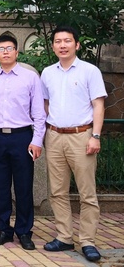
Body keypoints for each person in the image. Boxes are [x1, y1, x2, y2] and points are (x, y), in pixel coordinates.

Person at [40, 26, 106, 263]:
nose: (62, 45)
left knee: (87, 192)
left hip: (82, 136)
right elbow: (45, 104)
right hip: (55, 136)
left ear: (76, 44)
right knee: (58, 191)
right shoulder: (47, 73)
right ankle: (64, 236)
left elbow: (98, 105)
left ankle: (87, 240)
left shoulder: (90, 71)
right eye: (58, 41)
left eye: (67, 41)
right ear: (53, 46)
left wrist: (95, 136)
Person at [0, 35, 46, 250]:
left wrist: (37, 140)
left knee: (23, 186)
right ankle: (4, 229)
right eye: (1, 49)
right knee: (0, 186)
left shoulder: (30, 78)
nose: (6, 52)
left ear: (17, 52)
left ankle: (24, 231)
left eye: (9, 48)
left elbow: (39, 113)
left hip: (22, 137)